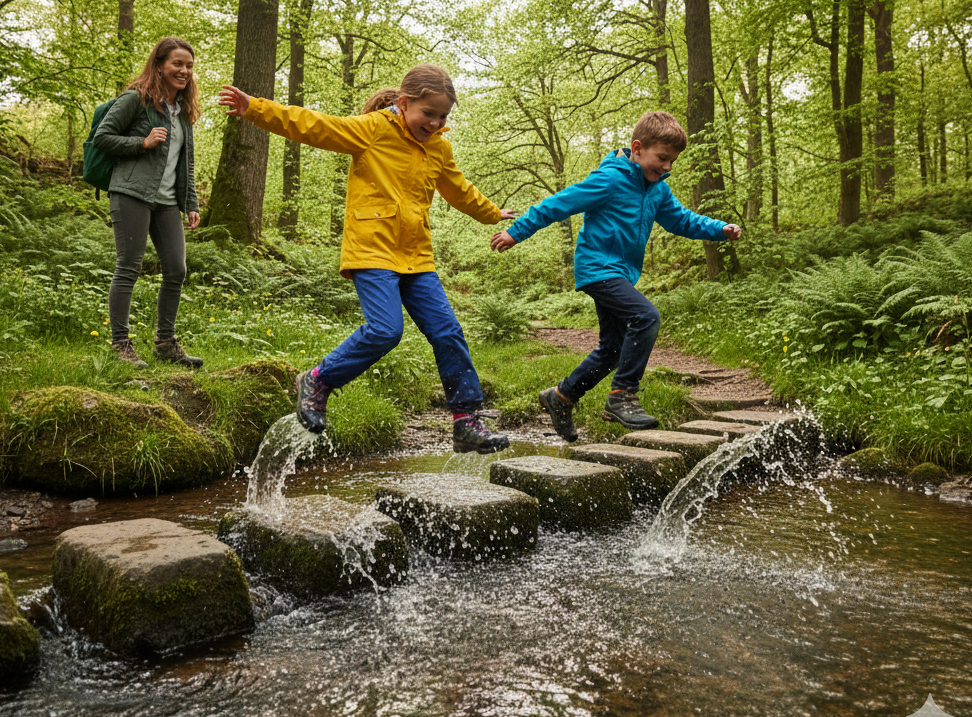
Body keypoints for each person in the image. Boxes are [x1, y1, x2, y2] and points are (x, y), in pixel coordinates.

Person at [218, 64, 516, 455]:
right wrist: (255, 108)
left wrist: (493, 213)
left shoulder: (439, 146)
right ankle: (318, 380)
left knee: (448, 332)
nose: (435, 122)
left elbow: (458, 189)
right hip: (373, 247)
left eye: (443, 116)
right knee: (385, 331)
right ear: (405, 103)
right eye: (428, 114)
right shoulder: (373, 129)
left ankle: (466, 421)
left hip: (416, 255)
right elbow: (314, 125)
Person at [490, 110, 741, 442]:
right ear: (637, 149)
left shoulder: (657, 190)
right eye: (662, 158)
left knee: (613, 348)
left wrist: (718, 229)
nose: (667, 167)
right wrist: (516, 232)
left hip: (621, 274)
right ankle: (622, 396)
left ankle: (561, 396)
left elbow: (682, 220)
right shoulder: (609, 180)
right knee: (646, 315)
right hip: (598, 269)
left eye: (672, 162)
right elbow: (557, 204)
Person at [94, 36, 203, 369]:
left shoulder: (183, 110)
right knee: (129, 267)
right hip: (131, 192)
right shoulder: (136, 99)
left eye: (189, 66)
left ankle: (165, 343)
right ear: (159, 65)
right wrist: (142, 142)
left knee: (176, 269)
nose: (184, 71)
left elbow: (187, 159)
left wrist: (191, 201)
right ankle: (120, 345)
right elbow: (103, 137)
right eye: (177, 64)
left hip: (168, 200)